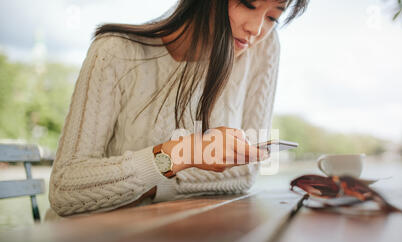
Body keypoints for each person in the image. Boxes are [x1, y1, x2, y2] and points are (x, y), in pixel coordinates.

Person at [47, 0, 308, 217]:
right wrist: (181, 154)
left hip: (182, 234)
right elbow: (65, 189)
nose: (256, 28)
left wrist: (154, 183)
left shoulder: (262, 48)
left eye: (273, 17)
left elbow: (245, 171)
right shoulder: (115, 52)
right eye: (249, 3)